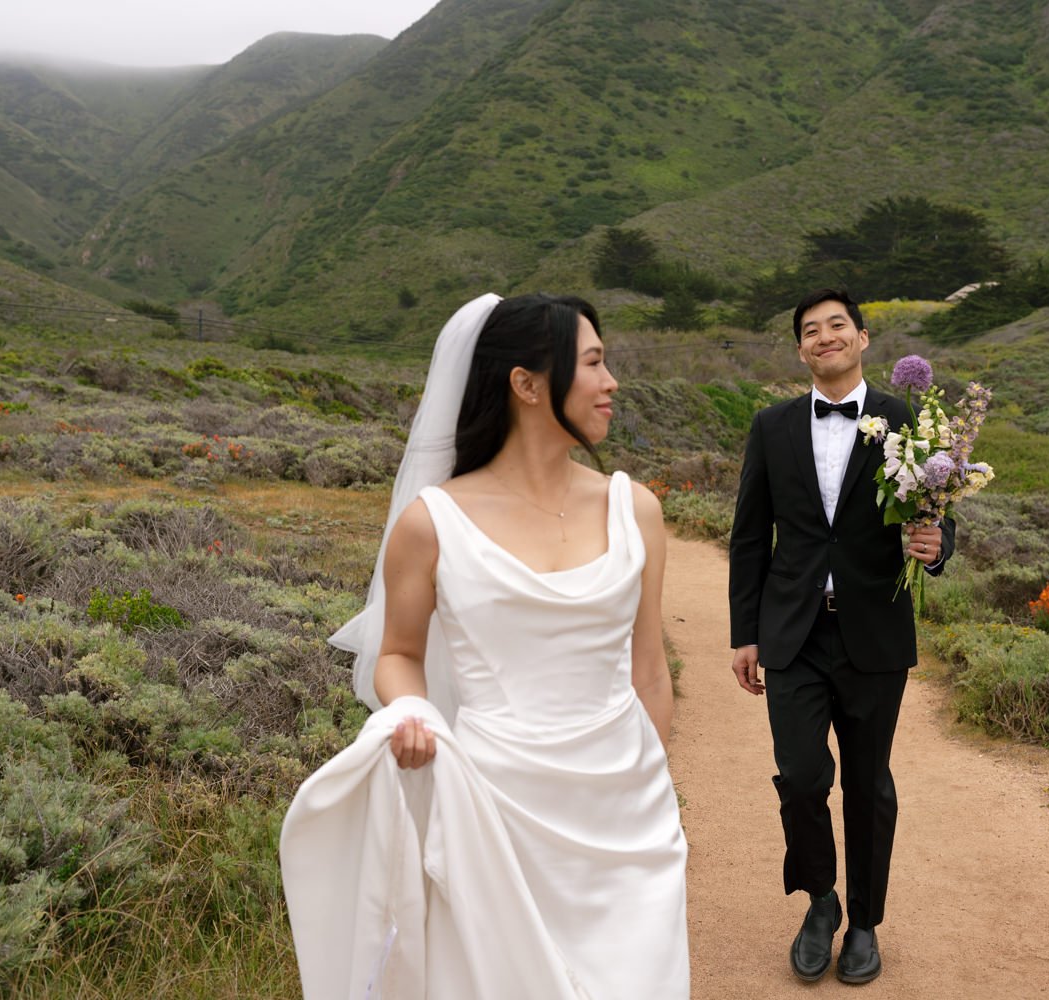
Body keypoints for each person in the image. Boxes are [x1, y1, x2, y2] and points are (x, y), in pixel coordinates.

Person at [280, 293, 688, 999]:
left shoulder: (636, 509)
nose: (611, 381)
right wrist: (416, 716)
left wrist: (651, 792)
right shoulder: (432, 523)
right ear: (527, 385)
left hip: (629, 818)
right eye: (593, 362)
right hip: (494, 807)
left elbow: (649, 670)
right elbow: (398, 655)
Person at [727, 287, 955, 985]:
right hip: (790, 630)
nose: (824, 337)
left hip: (874, 634)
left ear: (861, 338)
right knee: (800, 777)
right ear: (800, 349)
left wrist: (935, 544)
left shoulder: (906, 417)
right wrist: (745, 632)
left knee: (867, 784)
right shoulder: (771, 426)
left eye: (836, 326)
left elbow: (939, 507)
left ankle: (864, 922)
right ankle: (821, 899)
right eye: (810, 330)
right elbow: (748, 536)